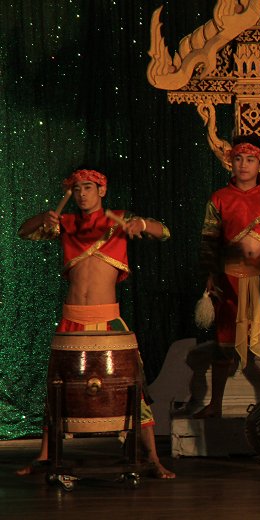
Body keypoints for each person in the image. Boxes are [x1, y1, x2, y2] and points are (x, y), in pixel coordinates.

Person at [16, 168, 175, 479]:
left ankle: (152, 457)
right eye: (76, 189)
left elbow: (163, 231)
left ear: (102, 190)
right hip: (72, 319)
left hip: (108, 319)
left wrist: (141, 224)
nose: (82, 194)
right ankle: (46, 455)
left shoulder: (118, 219)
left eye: (88, 187)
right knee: (57, 387)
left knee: (134, 388)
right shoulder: (67, 223)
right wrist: (42, 218)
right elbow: (24, 230)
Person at [196, 134, 260, 419]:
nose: (244, 165)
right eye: (239, 159)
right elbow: (209, 241)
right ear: (231, 161)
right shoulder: (219, 199)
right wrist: (210, 274)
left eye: (250, 160)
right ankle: (215, 404)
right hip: (229, 283)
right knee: (223, 347)